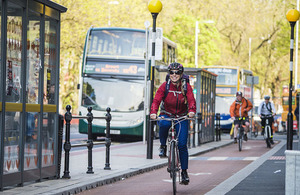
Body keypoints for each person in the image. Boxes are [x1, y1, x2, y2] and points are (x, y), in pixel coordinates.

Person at [150, 62, 196, 185]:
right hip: (167, 113)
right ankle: (163, 146)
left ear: (181, 74)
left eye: (177, 72)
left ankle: (184, 172)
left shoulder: (186, 87)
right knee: (164, 124)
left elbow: (191, 100)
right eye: (172, 72)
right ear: (169, 74)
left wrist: (191, 111)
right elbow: (156, 100)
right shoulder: (165, 86)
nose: (174, 75)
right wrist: (153, 112)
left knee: (182, 145)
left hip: (182, 116)